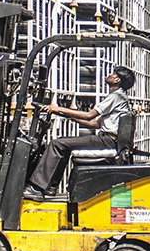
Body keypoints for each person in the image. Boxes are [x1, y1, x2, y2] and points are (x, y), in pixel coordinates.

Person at [23, 66, 136, 201]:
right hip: (108, 139)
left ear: (117, 80)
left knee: (57, 144)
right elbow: (94, 124)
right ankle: (51, 187)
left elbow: (89, 116)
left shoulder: (116, 96)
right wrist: (64, 114)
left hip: (107, 140)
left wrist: (59, 109)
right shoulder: (120, 97)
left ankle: (36, 188)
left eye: (113, 74)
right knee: (63, 145)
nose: (109, 75)